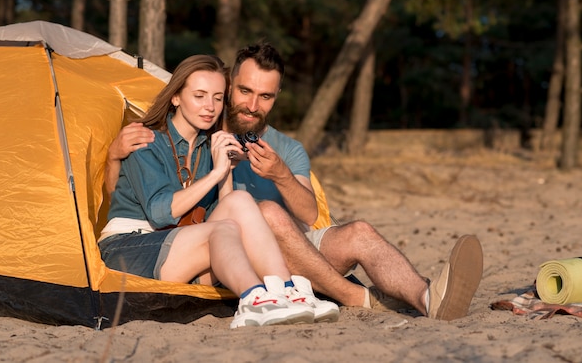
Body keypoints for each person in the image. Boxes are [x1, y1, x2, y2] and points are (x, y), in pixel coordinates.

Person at [108, 44, 484, 321]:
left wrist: (280, 175)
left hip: (296, 247)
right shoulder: (206, 132)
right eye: (243, 92)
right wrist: (113, 154)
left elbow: (311, 213)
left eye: (265, 96)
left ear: (276, 98)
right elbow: (135, 196)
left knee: (359, 232)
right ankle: (355, 296)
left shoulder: (287, 148)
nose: (252, 105)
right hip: (234, 249)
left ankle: (428, 297)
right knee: (265, 211)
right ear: (230, 87)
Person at [98, 54, 339, 329]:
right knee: (220, 230)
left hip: (179, 250)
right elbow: (160, 211)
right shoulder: (147, 139)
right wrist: (215, 174)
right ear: (176, 97)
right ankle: (252, 299)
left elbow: (227, 215)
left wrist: (226, 170)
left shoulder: (206, 146)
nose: (209, 107)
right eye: (199, 96)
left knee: (239, 199)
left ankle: (284, 290)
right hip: (129, 248)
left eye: (216, 98)